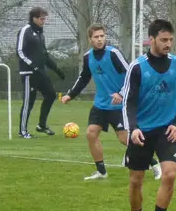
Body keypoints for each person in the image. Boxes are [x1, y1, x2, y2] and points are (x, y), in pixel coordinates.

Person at [61, 23, 161, 180]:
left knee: (125, 139)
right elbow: (84, 78)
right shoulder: (88, 57)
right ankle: (101, 171)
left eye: (102, 36)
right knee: (91, 134)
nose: (100, 39)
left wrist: (121, 93)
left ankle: (154, 163)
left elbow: (131, 74)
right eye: (96, 37)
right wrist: (70, 95)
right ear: (90, 39)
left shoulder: (113, 53)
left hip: (119, 106)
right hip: (100, 105)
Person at [122, 19, 176, 211]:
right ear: (151, 40)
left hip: (166, 131)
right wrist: (133, 128)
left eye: (170, 39)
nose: (168, 44)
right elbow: (128, 102)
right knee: (135, 181)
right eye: (163, 40)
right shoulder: (137, 67)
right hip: (142, 131)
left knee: (169, 174)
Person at [17, 7, 66, 138]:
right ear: (34, 18)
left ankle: (41, 125)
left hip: (41, 73)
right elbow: (20, 51)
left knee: (50, 95)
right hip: (28, 73)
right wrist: (32, 65)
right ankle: (23, 131)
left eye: (44, 18)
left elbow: (44, 56)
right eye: (41, 18)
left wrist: (57, 70)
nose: (43, 21)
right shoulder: (25, 30)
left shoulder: (40, 33)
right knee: (29, 102)